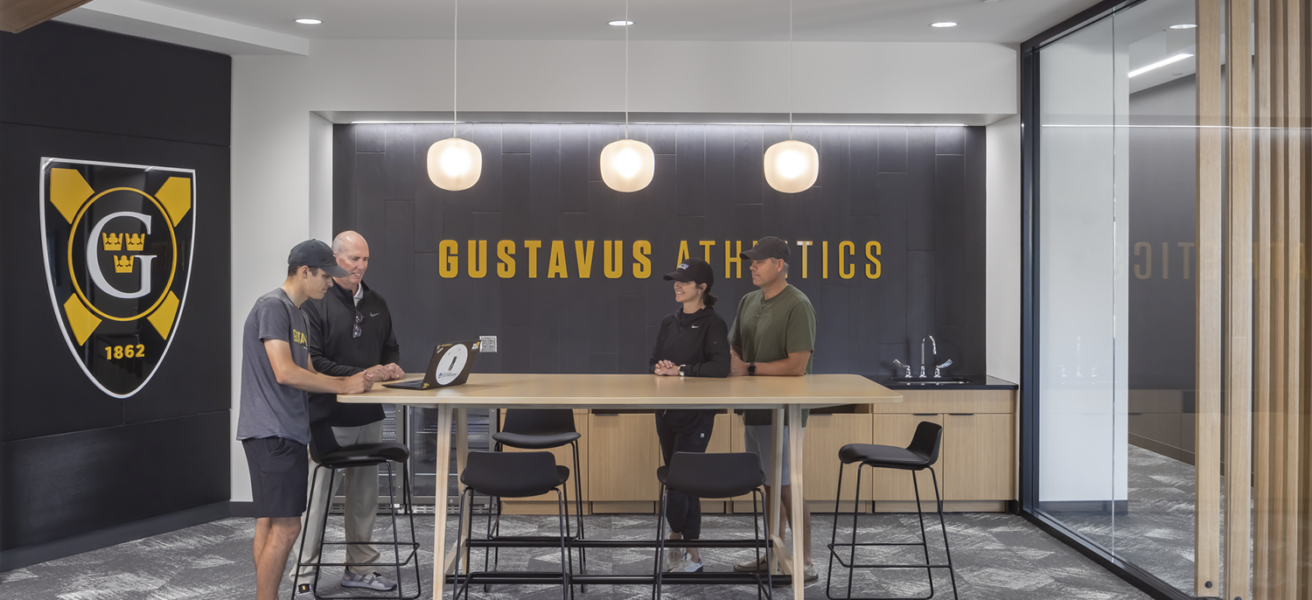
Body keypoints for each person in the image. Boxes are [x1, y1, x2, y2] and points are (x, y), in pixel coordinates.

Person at [236, 240, 374, 600]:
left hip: (287, 430)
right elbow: (284, 372)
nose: (330, 283)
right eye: (325, 276)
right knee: (287, 527)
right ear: (304, 271)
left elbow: (310, 370)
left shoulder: (298, 314)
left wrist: (354, 380)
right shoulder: (273, 306)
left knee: (270, 523)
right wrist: (342, 384)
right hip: (272, 430)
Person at [291, 231, 406, 596]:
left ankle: (360, 569)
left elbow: (390, 348)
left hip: (369, 417)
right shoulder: (315, 303)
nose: (360, 266)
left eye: (365, 259)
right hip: (327, 417)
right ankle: (303, 575)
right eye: (354, 258)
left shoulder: (377, 302)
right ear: (335, 259)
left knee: (365, 500)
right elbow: (314, 361)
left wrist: (391, 366)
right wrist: (362, 375)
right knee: (317, 500)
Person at [727, 236, 819, 583]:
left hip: (784, 412)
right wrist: (735, 361)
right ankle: (774, 554)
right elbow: (734, 346)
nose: (752, 266)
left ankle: (805, 562)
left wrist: (749, 368)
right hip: (753, 409)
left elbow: (797, 365)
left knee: (787, 485)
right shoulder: (749, 300)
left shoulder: (798, 305)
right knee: (769, 484)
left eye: (759, 261)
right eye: (751, 261)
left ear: (779, 265)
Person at [649, 258, 730, 574]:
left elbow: (720, 368)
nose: (677, 286)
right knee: (681, 480)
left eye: (684, 282)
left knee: (682, 481)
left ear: (702, 288)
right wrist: (660, 368)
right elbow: (654, 361)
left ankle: (678, 541)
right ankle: (691, 553)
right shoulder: (669, 321)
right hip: (666, 413)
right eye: (676, 281)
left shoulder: (714, 324)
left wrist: (680, 371)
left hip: (696, 416)